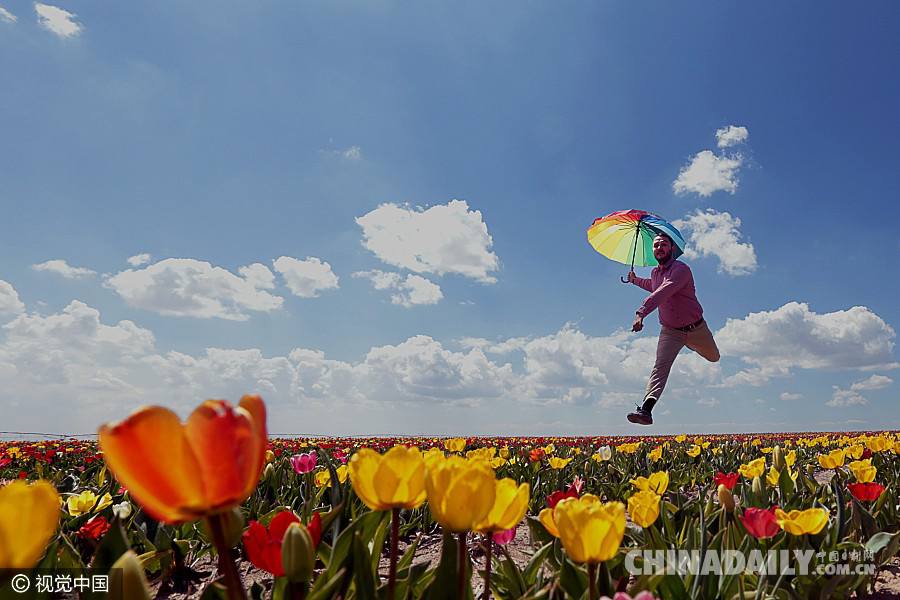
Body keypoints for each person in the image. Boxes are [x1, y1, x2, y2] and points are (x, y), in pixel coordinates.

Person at [625, 233, 719, 425]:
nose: (659, 247)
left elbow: (663, 291)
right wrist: (634, 280)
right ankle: (646, 410)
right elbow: (653, 286)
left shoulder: (681, 269)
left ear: (672, 249)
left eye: (664, 244)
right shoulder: (654, 273)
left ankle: (692, 345)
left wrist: (641, 312)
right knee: (660, 367)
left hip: (696, 328)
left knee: (713, 357)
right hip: (670, 331)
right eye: (656, 245)